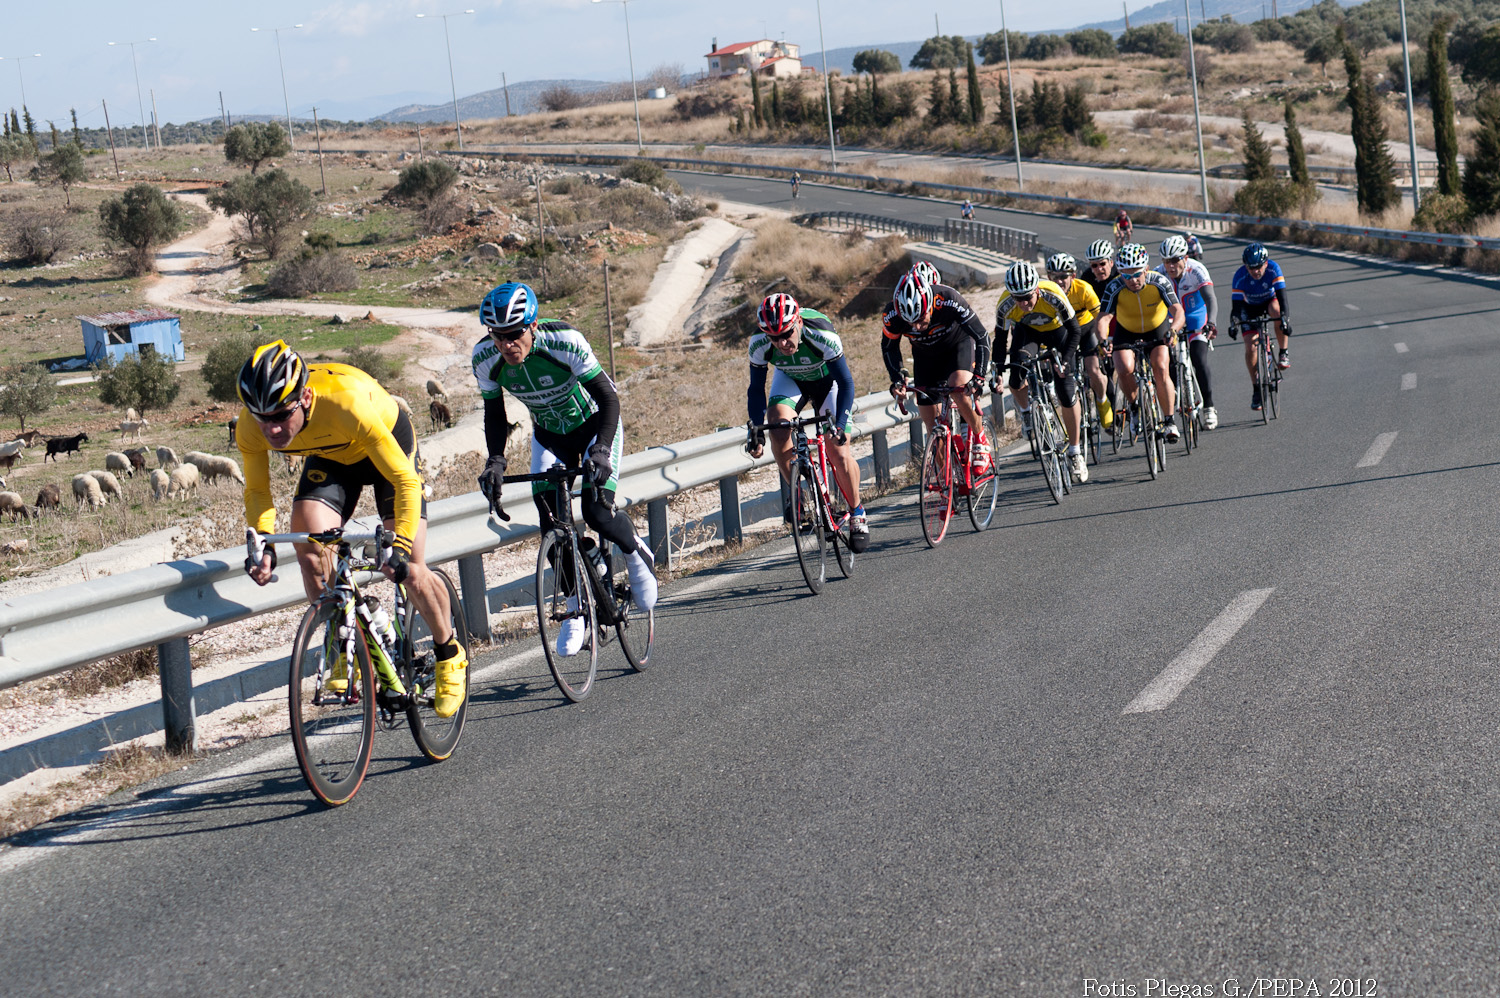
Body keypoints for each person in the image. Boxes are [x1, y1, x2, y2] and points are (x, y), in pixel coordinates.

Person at [237, 340, 469, 718]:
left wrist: (403, 548)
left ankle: (449, 654)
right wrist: (263, 545)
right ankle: (340, 642)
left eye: (281, 414)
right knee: (311, 550)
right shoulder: (253, 425)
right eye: (263, 418)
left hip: (385, 447)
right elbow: (258, 491)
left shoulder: (346, 404)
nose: (272, 429)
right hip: (333, 458)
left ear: (306, 397)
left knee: (411, 570)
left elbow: (406, 481)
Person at [472, 282, 657, 657]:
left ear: (533, 325)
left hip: (594, 427)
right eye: (498, 335)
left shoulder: (564, 341)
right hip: (549, 437)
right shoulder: (484, 358)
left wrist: (602, 451)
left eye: (514, 334)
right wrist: (495, 460)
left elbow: (608, 397)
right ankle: (576, 610)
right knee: (552, 527)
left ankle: (637, 552)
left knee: (594, 510)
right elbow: (495, 414)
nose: (506, 345)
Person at [745, 293, 868, 551]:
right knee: (777, 428)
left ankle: (857, 512)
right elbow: (756, 389)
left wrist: (841, 423)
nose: (781, 343)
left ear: (798, 322)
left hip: (828, 382)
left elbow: (845, 383)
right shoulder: (758, 344)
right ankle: (801, 495)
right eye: (774, 337)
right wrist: (756, 431)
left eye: (786, 334)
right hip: (791, 379)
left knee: (837, 451)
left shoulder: (822, 335)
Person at [882, 267, 992, 473]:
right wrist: (897, 379)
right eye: (911, 322)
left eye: (921, 318)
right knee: (932, 425)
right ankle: (946, 485)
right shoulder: (892, 315)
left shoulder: (948, 299)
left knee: (957, 385)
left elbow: (982, 336)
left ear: (930, 304)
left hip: (957, 346)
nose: (916, 327)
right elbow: (889, 348)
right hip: (925, 357)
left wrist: (979, 376)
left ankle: (979, 438)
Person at [996, 261, 1089, 484]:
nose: (1024, 303)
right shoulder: (1005, 304)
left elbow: (1075, 330)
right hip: (1028, 334)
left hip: (1059, 333)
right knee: (1016, 376)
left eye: (1028, 297)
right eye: (1019, 298)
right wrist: (997, 371)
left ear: (1037, 289)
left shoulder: (1053, 294)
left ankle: (1075, 452)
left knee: (1066, 392)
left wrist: (1065, 361)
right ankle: (1028, 413)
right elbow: (1000, 341)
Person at [1098, 243, 1186, 443]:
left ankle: (1170, 420)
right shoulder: (1114, 286)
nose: (1133, 280)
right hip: (1126, 331)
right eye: (1126, 275)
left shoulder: (1159, 281)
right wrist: (1103, 340)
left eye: (1137, 274)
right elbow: (1103, 318)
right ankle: (1135, 407)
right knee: (1123, 367)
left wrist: (1173, 330)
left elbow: (1178, 311)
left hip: (1157, 328)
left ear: (1146, 268)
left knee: (1161, 367)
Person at [1045, 251, 1113, 433]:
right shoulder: (1046, 294)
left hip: (1085, 330)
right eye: (1053, 277)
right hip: (1064, 335)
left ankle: (1101, 400)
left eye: (1062, 277)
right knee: (1064, 375)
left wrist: (1103, 340)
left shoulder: (1084, 289)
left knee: (1093, 370)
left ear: (1073, 276)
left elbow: (1101, 318)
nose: (1058, 281)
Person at [1157, 236, 1220, 430]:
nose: (1171, 265)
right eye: (1167, 261)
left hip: (1196, 316)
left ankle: (1209, 406)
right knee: (1168, 363)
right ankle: (1173, 404)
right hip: (1172, 320)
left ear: (1185, 258)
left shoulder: (1197, 270)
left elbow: (1210, 298)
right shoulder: (1158, 274)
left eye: (1175, 260)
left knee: (1198, 359)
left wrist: (1211, 322)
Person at [1228, 242, 1292, 411]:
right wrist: (1234, 323)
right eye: (1251, 268)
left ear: (1265, 263)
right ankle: (1256, 388)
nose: (1255, 271)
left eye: (1258, 267)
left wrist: (1285, 321)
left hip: (1269, 302)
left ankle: (1283, 352)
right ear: (1245, 266)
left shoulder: (1273, 269)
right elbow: (1236, 308)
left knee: (1277, 311)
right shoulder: (1240, 276)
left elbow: (1283, 298)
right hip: (1248, 308)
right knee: (1251, 347)